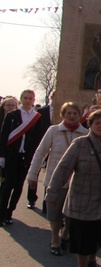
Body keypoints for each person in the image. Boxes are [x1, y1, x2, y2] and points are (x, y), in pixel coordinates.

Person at [46, 107, 101, 267]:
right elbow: (63, 169)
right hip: (83, 200)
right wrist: (52, 192)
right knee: (82, 239)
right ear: (90, 125)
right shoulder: (80, 144)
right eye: (97, 123)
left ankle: (92, 256)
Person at [27, 102, 88, 255]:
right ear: (63, 115)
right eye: (69, 113)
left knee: (71, 214)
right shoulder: (54, 131)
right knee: (54, 213)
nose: (72, 116)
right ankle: (55, 238)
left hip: (75, 182)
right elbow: (41, 152)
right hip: (55, 179)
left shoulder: (85, 133)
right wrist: (32, 175)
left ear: (79, 115)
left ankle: (66, 233)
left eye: (75, 113)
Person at [0, 90, 47, 225]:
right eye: (25, 98)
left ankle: (10, 212)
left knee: (19, 184)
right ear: (21, 99)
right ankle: (1, 213)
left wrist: (37, 157)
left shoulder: (37, 117)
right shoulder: (12, 115)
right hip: (11, 155)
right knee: (8, 183)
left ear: (33, 100)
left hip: (26, 156)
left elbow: (38, 138)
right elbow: (4, 136)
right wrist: (2, 155)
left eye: (30, 98)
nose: (28, 100)